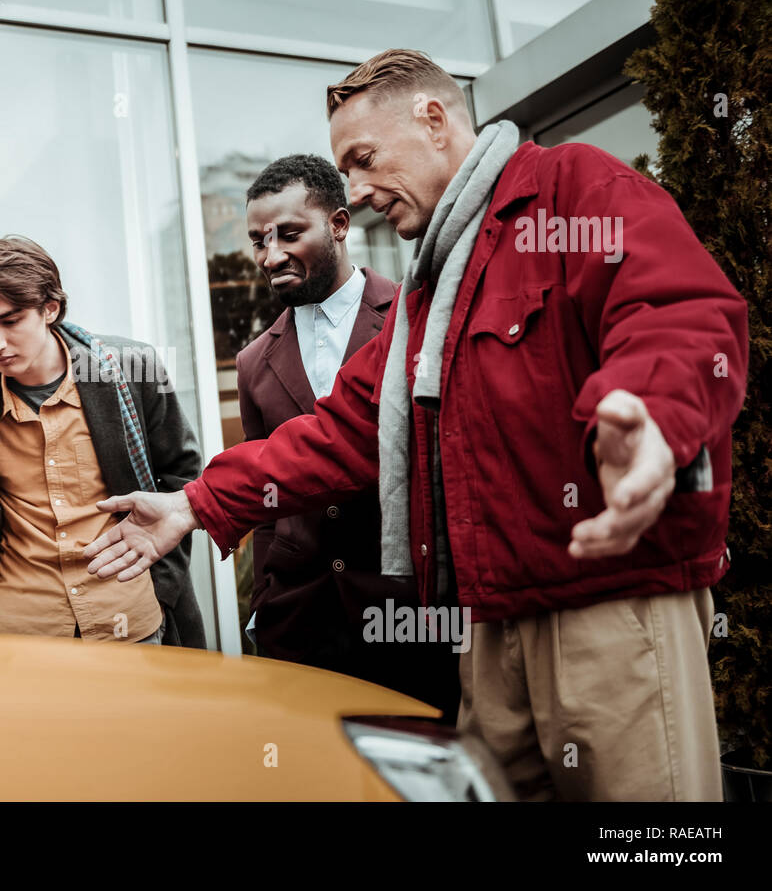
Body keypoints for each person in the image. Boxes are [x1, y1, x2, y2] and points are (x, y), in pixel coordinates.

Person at [84, 49, 748, 800]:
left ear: (434, 120)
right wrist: (195, 502)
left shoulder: (574, 187)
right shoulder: (426, 298)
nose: (359, 193)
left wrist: (650, 415)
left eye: (364, 161)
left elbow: (678, 314)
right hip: (486, 628)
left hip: (609, 607)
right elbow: (341, 430)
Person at [237, 153, 457, 712]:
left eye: (289, 233)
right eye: (259, 240)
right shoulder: (253, 361)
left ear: (339, 225)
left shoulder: (420, 315)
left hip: (411, 614)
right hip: (301, 619)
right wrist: (264, 603)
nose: (272, 254)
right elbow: (267, 498)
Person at [0, 235, 205, 647]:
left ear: (50, 308)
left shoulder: (132, 367)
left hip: (130, 617)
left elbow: (183, 481)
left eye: (10, 320)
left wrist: (160, 586)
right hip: (22, 628)